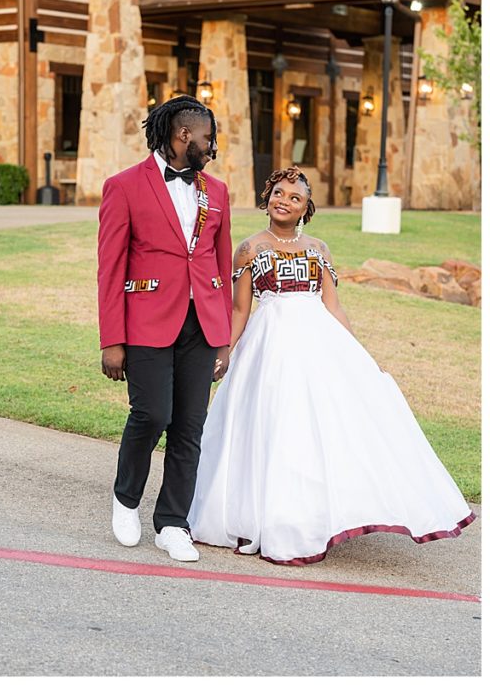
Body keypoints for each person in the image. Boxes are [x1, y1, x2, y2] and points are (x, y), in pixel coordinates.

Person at [188, 166, 475, 565]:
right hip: (269, 345)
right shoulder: (249, 248)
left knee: (322, 424)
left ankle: (318, 512)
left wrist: (357, 354)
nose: (284, 201)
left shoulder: (319, 249)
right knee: (275, 423)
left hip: (318, 341)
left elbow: (332, 304)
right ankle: (273, 516)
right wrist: (225, 351)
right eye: (278, 193)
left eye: (295, 198)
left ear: (307, 209)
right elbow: (240, 309)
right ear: (266, 196)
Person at [98, 95, 233, 562]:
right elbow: (109, 268)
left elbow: (219, 259)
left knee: (189, 427)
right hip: (148, 322)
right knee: (152, 414)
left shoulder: (216, 192)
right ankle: (126, 499)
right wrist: (112, 340)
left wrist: (224, 338)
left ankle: (173, 522)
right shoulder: (124, 186)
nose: (212, 147)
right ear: (183, 136)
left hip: (203, 324)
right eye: (207, 138)